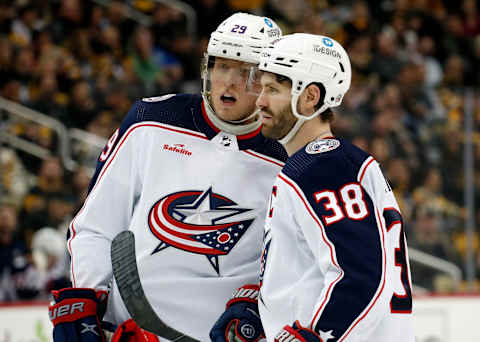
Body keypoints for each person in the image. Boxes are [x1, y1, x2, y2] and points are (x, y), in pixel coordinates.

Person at [48, 13, 285, 342]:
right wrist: (89, 294)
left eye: (246, 72)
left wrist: (259, 305)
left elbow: (293, 265)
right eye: (221, 66)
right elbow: (96, 226)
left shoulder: (290, 157)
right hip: (129, 329)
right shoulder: (152, 119)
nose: (229, 82)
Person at [254, 33, 415, 341]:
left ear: (310, 96)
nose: (260, 100)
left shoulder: (322, 166)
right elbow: (307, 273)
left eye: (272, 89)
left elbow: (360, 276)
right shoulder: (327, 163)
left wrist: (319, 337)